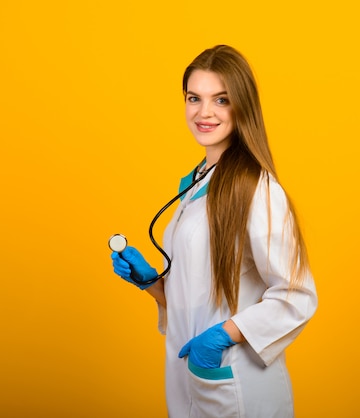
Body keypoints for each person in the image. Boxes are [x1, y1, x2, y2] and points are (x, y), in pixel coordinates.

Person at [111, 45, 318, 418]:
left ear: (242, 106)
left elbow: (296, 295)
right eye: (194, 98)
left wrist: (223, 337)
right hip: (193, 381)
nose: (203, 112)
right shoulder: (195, 184)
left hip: (236, 382)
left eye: (220, 100)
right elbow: (199, 298)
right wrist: (153, 285)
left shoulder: (255, 187)